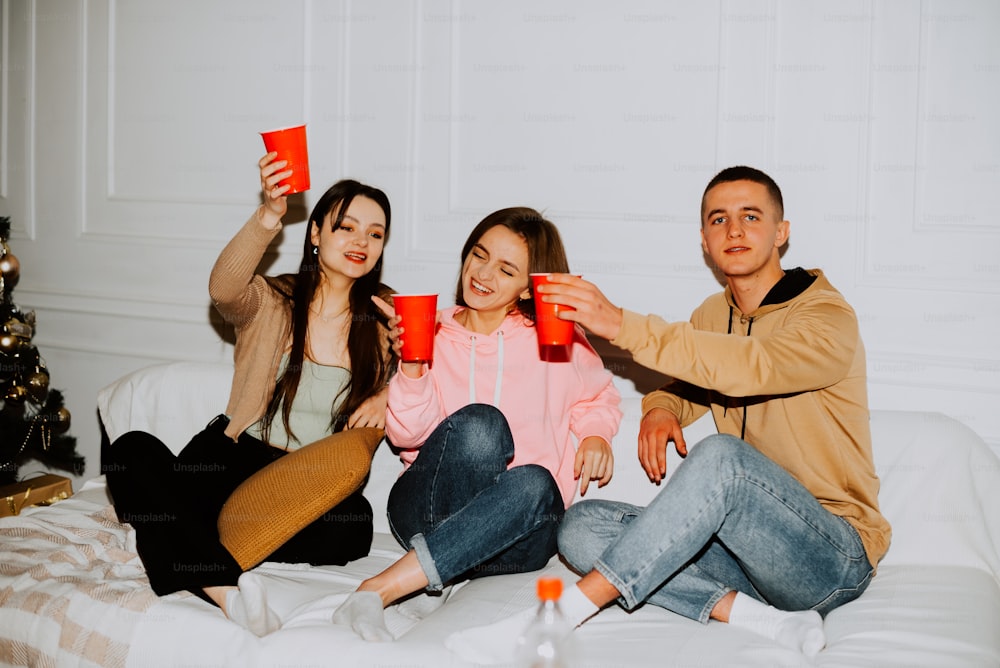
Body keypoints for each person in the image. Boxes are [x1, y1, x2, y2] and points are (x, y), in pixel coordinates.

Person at [445, 166, 891, 662]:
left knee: (724, 455)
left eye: (751, 216)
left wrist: (617, 323)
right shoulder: (712, 314)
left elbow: (751, 367)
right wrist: (660, 407)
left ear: (781, 232)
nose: (734, 230)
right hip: (746, 558)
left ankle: (554, 618)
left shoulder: (826, 316)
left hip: (830, 555)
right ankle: (762, 620)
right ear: (704, 240)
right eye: (718, 219)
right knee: (581, 527)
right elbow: (692, 379)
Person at [103, 152, 395, 636]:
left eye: (376, 233)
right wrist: (269, 214)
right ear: (316, 233)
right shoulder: (272, 301)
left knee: (355, 523)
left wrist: (390, 392)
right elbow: (224, 286)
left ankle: (183, 535)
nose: (362, 241)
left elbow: (438, 380)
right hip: (233, 458)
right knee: (130, 450)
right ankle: (225, 590)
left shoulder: (384, 321)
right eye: (346, 226)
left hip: (306, 481)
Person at [330, 207, 623, 641]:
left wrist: (597, 433)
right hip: (427, 510)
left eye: (506, 269)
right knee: (482, 426)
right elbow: (406, 437)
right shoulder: (432, 332)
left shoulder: (557, 339)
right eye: (478, 254)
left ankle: (383, 587)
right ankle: (417, 574)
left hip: (516, 533)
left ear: (528, 287)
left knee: (537, 483)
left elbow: (599, 395)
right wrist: (412, 363)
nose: (482, 273)